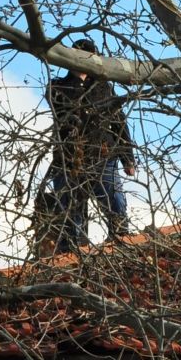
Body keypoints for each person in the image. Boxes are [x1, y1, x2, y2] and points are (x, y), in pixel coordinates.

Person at [45, 38, 136, 252]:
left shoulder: (104, 87)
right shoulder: (58, 87)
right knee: (71, 213)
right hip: (69, 158)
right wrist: (79, 82)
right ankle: (73, 253)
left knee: (115, 204)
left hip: (102, 154)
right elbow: (63, 112)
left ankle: (121, 242)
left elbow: (119, 123)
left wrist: (128, 158)